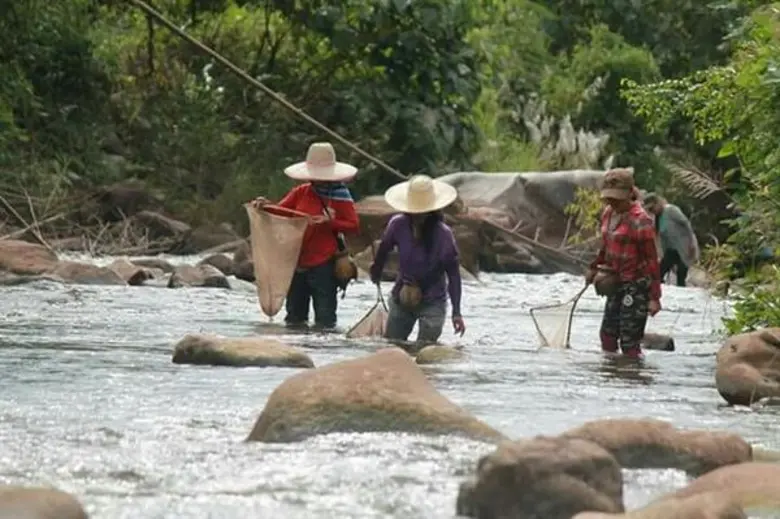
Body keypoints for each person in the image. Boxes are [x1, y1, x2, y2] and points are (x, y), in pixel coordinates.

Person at [251, 142, 359, 329]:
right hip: (298, 261)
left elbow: (353, 225)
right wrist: (264, 205)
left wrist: (329, 222)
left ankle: (323, 351)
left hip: (324, 263)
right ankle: (298, 347)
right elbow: (280, 211)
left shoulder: (341, 195)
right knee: (294, 316)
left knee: (325, 318)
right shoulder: (302, 191)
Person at [369, 174, 466, 344]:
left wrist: (456, 313)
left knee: (426, 349)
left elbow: (453, 275)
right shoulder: (397, 224)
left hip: (433, 300)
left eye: (421, 213)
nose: (417, 216)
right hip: (403, 295)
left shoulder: (443, 235)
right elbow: (384, 249)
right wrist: (376, 271)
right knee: (393, 345)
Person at [585, 168, 662, 358]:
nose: (613, 202)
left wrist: (654, 297)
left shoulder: (641, 220)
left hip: (636, 285)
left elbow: (651, 260)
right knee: (607, 336)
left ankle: (633, 379)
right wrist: (594, 268)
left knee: (629, 342)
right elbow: (604, 246)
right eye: (609, 198)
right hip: (614, 281)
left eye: (618, 198)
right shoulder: (608, 214)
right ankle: (611, 377)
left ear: (630, 193)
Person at [642, 192, 700, 287]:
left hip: (685, 247)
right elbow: (661, 238)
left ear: (658, 203)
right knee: (660, 272)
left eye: (653, 208)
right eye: (650, 210)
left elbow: (686, 224)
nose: (652, 211)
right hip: (671, 250)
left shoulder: (671, 210)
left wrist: (692, 243)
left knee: (681, 276)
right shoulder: (657, 218)